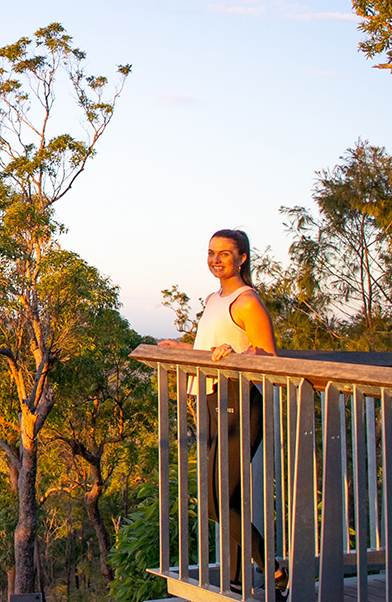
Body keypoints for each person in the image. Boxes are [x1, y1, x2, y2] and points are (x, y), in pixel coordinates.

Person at [159, 229, 283, 596]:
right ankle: (239, 580)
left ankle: (274, 571)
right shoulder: (216, 298)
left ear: (242, 257)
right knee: (225, 500)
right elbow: (213, 344)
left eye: (224, 253)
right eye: (211, 252)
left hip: (240, 401)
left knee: (216, 503)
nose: (215, 259)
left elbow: (268, 356)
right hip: (213, 401)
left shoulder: (246, 301)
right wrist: (183, 348)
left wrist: (237, 355)